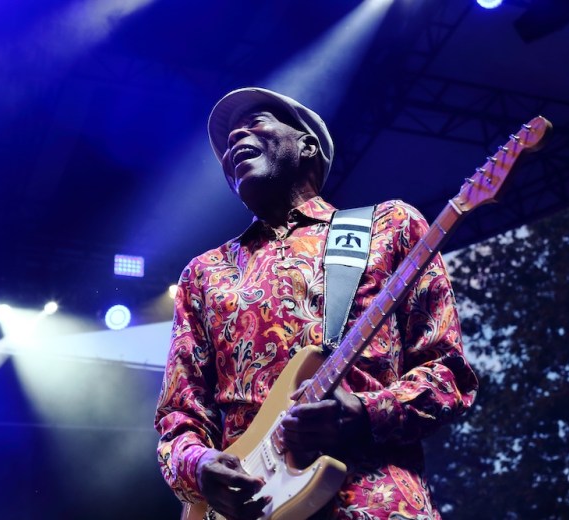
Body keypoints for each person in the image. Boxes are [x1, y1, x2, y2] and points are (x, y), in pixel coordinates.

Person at [154, 87, 478, 520]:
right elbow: (179, 415)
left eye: (255, 123)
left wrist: (364, 412)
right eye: (229, 138)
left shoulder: (390, 226)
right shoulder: (204, 272)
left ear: (306, 145)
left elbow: (449, 374)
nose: (234, 137)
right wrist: (200, 466)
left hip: (374, 503)